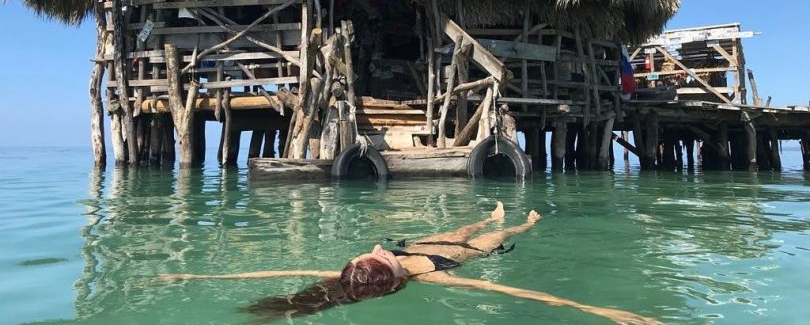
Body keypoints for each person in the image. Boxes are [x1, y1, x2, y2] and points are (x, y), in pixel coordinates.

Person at [158, 203, 662, 324]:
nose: (377, 247)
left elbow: (268, 274)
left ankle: (488, 214)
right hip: (452, 258)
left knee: (461, 227)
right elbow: (511, 292)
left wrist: (196, 274)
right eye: (376, 254)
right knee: (495, 238)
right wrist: (599, 310)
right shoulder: (435, 280)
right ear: (390, 274)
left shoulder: (352, 276)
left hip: (429, 242)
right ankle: (521, 223)